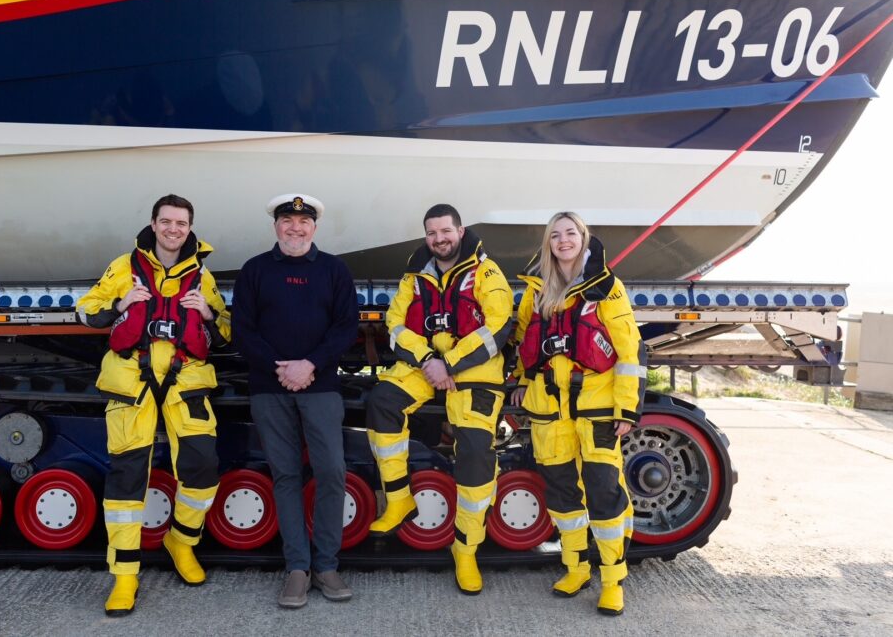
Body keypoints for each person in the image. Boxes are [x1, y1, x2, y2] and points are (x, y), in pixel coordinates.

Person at [76, 194, 231, 617]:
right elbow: (85, 311)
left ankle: (182, 541)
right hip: (131, 380)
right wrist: (119, 305)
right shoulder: (124, 267)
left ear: (189, 227)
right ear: (154, 223)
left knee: (202, 468)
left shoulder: (202, 275)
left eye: (181, 223)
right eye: (167, 222)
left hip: (186, 381)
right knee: (126, 480)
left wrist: (209, 316)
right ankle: (124, 577)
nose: (173, 229)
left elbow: (226, 332)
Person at [366, 204, 513, 595]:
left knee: (476, 452)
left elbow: (496, 327)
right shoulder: (415, 276)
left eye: (445, 231)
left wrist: (448, 362)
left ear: (460, 231)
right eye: (431, 233)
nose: (439, 239)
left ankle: (465, 551)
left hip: (474, 372)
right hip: (425, 366)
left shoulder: (486, 272)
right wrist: (430, 360)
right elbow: (394, 325)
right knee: (382, 402)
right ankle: (398, 500)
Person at [510, 211, 646, 616]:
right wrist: (519, 382)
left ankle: (612, 579)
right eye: (556, 235)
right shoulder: (537, 291)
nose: (564, 240)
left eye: (571, 233)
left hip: (597, 407)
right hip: (551, 410)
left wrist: (627, 408)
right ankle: (576, 568)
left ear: (583, 239)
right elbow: (524, 343)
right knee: (563, 494)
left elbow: (630, 352)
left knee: (604, 491)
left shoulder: (607, 288)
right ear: (548, 243)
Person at [232, 193, 359, 609]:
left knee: (331, 473)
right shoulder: (255, 271)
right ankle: (297, 571)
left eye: (303, 222)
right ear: (276, 226)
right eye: (287, 220)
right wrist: (280, 368)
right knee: (285, 476)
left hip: (320, 387)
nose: (295, 228)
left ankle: (326, 565)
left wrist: (309, 365)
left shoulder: (334, 270)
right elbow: (242, 332)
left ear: (314, 228)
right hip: (270, 389)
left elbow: (346, 328)